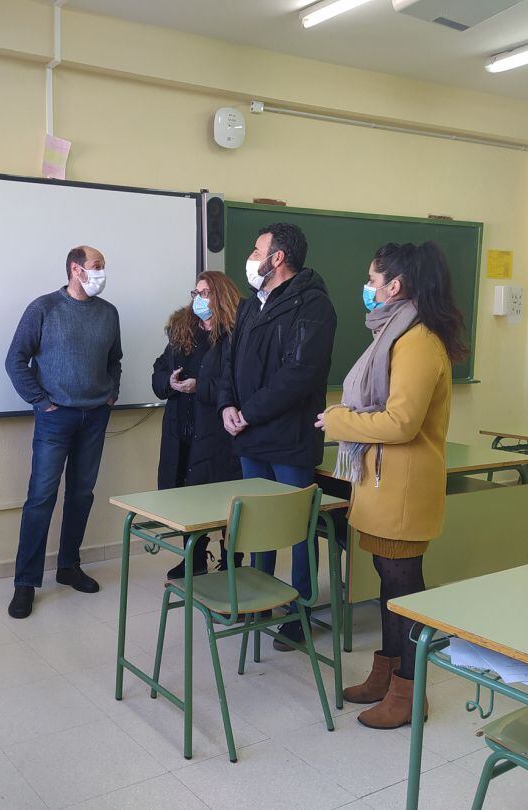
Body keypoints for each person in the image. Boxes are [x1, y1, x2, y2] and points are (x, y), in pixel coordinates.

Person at [317, 241, 466, 729]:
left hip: (403, 487)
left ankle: (409, 691)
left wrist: (340, 421)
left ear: (395, 286)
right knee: (389, 584)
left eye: (372, 280)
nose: (368, 288)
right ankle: (386, 674)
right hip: (384, 483)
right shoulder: (396, 333)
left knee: (403, 588)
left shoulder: (418, 340)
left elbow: (401, 423)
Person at [218, 222, 337, 650]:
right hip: (250, 435)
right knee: (257, 523)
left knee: (296, 527)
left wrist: (247, 412)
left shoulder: (313, 306)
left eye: (256, 249)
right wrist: (227, 405)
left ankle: (300, 610)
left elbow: (299, 376)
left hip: (289, 438)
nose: (251, 256)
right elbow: (230, 363)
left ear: (277, 258)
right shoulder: (253, 304)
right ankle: (257, 598)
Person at [4, 245, 122, 619]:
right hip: (55, 417)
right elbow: (15, 359)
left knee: (82, 494)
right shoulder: (43, 308)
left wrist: (111, 394)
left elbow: (115, 360)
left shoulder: (109, 313)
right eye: (97, 266)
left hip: (95, 417)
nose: (102, 273)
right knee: (41, 498)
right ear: (76, 269)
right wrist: (40, 401)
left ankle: (69, 566)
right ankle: (26, 582)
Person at [151, 270, 243, 578]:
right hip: (181, 429)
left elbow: (237, 386)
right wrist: (169, 381)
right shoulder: (182, 331)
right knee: (185, 494)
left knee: (221, 497)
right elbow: (159, 372)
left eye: (205, 293)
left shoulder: (235, 335)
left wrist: (198, 386)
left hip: (216, 433)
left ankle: (232, 559)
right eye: (196, 293)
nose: (198, 299)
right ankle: (195, 556)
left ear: (221, 297)